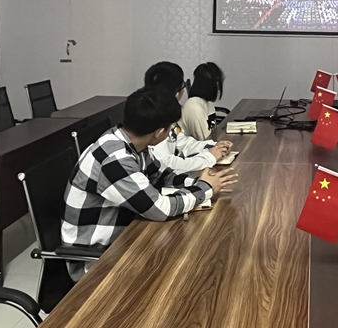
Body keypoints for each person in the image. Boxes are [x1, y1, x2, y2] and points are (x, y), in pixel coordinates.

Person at [62, 86, 238, 281]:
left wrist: (199, 181)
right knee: (192, 266)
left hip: (125, 238)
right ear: (159, 132)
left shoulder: (129, 141)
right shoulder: (115, 160)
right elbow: (160, 209)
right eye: (171, 128)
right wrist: (205, 189)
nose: (171, 133)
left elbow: (161, 176)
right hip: (97, 261)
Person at [144, 60, 232, 172]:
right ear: (177, 93)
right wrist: (209, 157)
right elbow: (166, 164)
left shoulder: (167, 112)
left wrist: (212, 145)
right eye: (183, 86)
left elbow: (182, 142)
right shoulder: (152, 118)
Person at [181, 62, 225, 141]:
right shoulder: (193, 107)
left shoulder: (208, 103)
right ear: (216, 84)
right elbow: (204, 140)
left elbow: (213, 132)